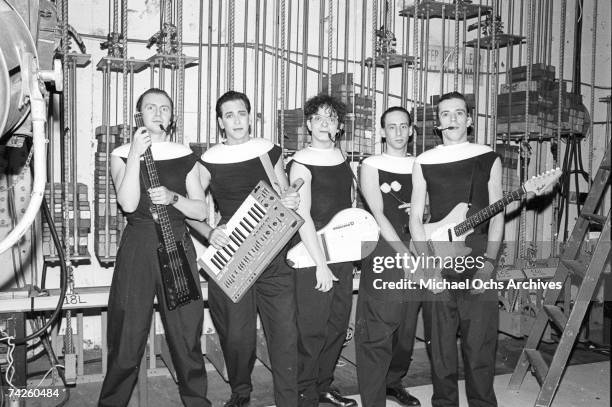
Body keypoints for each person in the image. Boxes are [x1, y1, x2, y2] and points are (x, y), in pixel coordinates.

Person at [98, 88, 211, 407]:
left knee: (186, 332)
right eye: (150, 107)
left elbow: (201, 211)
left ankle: (196, 401)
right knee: (127, 335)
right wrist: (135, 152)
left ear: (172, 117)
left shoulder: (185, 156)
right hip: (139, 245)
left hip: (177, 242)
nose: (158, 112)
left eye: (164, 108)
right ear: (139, 115)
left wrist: (174, 198)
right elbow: (128, 202)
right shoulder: (121, 154)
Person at [189, 90, 300, 407]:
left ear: (250, 116)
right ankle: (241, 392)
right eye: (229, 115)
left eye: (241, 113)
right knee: (237, 337)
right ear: (220, 122)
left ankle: (289, 401)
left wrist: (290, 201)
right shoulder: (208, 160)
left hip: (273, 252)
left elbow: (285, 193)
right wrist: (210, 232)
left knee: (284, 335)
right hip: (233, 254)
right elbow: (191, 209)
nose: (236, 120)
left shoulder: (269, 152)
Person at [409, 91, 504, 407]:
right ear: (437, 123)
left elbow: (498, 212)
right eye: (446, 114)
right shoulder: (423, 161)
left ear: (470, 119)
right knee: (441, 346)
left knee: (480, 343)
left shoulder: (488, 156)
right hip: (438, 258)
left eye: (459, 113)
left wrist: (490, 260)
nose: (452, 119)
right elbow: (416, 219)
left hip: (477, 256)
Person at [288, 94, 357, 407]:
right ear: (308, 124)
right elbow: (301, 218)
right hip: (311, 256)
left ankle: (324, 387)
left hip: (341, 255)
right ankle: (305, 394)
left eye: (331, 118)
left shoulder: (345, 160)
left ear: (339, 125)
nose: (324, 123)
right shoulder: (301, 162)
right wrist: (320, 265)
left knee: (336, 327)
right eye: (318, 118)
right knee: (312, 331)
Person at [355, 106, 421, 407]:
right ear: (382, 131)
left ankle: (394, 382)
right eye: (391, 126)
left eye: (403, 126)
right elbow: (379, 213)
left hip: (417, 244)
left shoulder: (422, 164)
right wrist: (404, 254)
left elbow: (428, 210)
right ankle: (373, 398)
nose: (397, 132)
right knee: (379, 326)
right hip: (384, 246)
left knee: (406, 326)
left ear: (411, 130)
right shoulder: (371, 164)